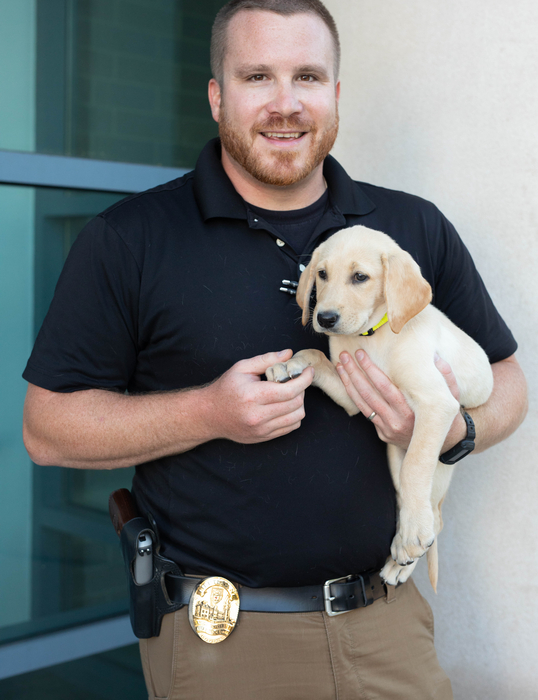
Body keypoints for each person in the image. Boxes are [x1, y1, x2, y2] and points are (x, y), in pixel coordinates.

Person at [22, 1, 527, 698]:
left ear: (337, 94)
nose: (285, 104)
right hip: (221, 642)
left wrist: (448, 431)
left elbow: (507, 383)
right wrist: (209, 412)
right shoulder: (129, 240)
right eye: (258, 76)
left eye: (308, 77)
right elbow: (47, 430)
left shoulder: (410, 231)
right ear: (216, 95)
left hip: (388, 626)